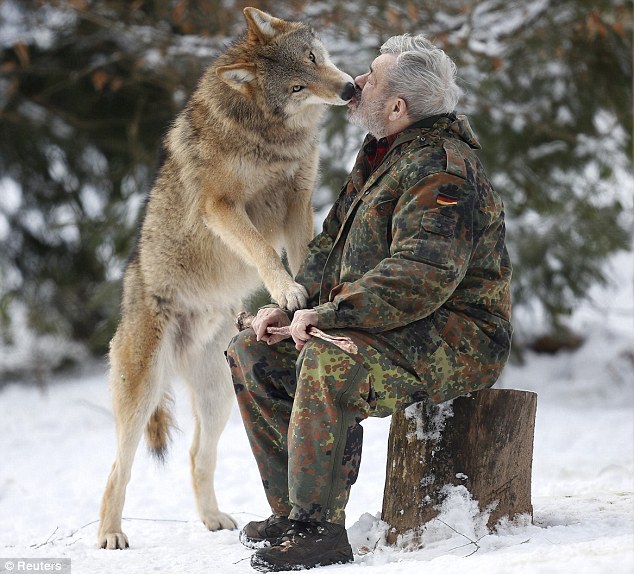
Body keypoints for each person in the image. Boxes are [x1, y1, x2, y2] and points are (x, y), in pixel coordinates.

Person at [226, 33, 512, 573]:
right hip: (390, 323)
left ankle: (318, 530)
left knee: (329, 357)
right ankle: (292, 514)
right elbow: (327, 248)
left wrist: (329, 317)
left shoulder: (441, 168)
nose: (356, 83)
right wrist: (289, 306)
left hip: (460, 335)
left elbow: (421, 277)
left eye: (372, 79)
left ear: (398, 107)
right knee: (251, 351)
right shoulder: (383, 152)